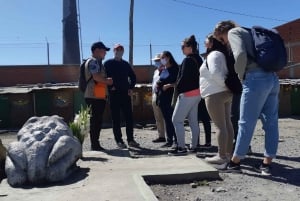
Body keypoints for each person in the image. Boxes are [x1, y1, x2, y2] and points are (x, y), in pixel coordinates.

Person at [214, 20, 280, 175]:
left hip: (255, 79)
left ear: (222, 32)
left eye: (221, 40)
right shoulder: (250, 32)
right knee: (271, 123)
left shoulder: (233, 33)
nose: (224, 43)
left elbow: (241, 55)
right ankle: (266, 164)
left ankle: (235, 163)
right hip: (272, 78)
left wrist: (241, 76)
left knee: (245, 123)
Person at [199, 34, 234, 164]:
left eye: (206, 40)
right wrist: (227, 87)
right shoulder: (222, 54)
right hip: (224, 93)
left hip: (214, 94)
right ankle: (228, 154)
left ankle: (221, 156)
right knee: (227, 124)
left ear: (212, 42)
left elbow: (215, 73)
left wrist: (224, 85)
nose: (204, 43)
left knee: (220, 126)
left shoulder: (213, 55)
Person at [169, 35, 202, 156]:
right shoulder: (199, 59)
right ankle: (193, 147)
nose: (181, 49)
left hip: (187, 94)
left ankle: (181, 148)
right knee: (193, 121)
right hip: (198, 93)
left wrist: (178, 89)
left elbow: (183, 78)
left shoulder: (187, 60)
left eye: (183, 46)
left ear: (189, 47)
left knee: (176, 120)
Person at [104, 44, 139, 149]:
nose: (119, 51)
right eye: (117, 50)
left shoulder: (125, 64)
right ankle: (119, 140)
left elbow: (133, 77)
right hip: (114, 95)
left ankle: (131, 140)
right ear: (113, 51)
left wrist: (130, 87)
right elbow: (103, 77)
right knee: (116, 119)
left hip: (125, 94)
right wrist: (110, 88)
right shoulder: (108, 63)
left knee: (129, 117)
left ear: (123, 51)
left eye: (121, 50)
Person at [84, 41, 113, 151]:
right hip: (93, 96)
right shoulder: (93, 62)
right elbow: (96, 77)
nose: (105, 53)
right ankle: (95, 145)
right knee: (95, 120)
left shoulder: (97, 62)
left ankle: (95, 144)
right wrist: (107, 81)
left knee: (97, 120)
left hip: (98, 95)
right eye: (103, 51)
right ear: (96, 51)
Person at [155, 51, 179, 148]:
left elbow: (178, 82)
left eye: (163, 57)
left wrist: (169, 85)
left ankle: (176, 140)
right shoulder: (164, 69)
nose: (162, 60)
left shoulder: (175, 69)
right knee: (167, 120)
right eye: (161, 58)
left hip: (171, 98)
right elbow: (161, 80)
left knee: (173, 120)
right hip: (162, 98)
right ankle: (169, 140)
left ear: (169, 57)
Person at [151, 53, 166, 143]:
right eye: (155, 61)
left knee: (166, 116)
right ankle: (161, 136)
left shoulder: (166, 70)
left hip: (163, 95)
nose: (156, 62)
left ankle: (170, 136)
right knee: (158, 116)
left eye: (158, 60)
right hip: (155, 95)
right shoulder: (155, 72)